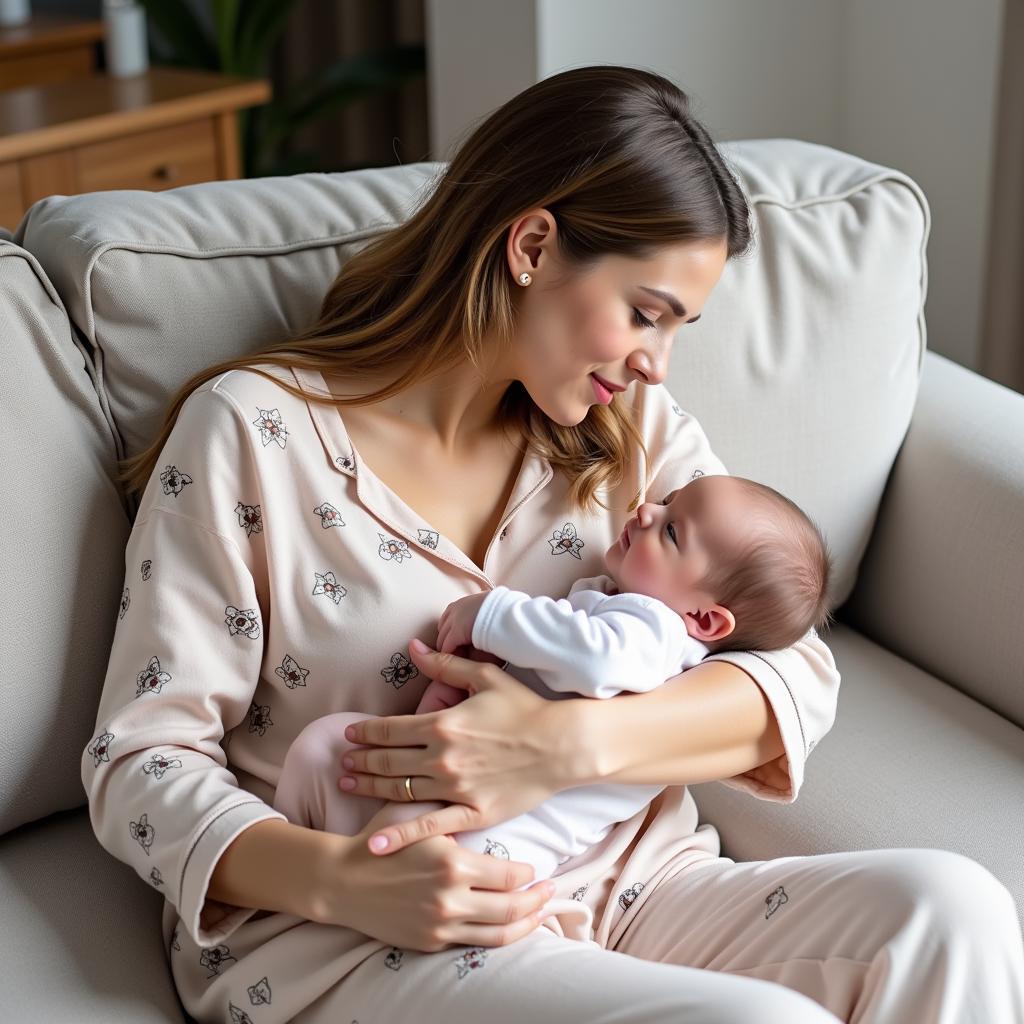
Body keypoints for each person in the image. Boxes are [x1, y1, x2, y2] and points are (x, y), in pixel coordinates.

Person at [81, 65, 1024, 1024]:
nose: (657, 361)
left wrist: (568, 745)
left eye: (678, 327)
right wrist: (341, 881)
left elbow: (793, 669)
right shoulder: (251, 433)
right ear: (532, 245)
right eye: (646, 313)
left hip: (633, 887)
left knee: (954, 914)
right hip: (374, 927)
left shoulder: (630, 429)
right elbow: (138, 762)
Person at [271, 473, 836, 894]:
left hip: (506, 837)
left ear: (707, 621)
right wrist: (452, 697)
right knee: (328, 744)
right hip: (457, 780)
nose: (644, 510)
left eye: (671, 530)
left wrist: (492, 616)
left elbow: (595, 659)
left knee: (398, 841)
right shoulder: (625, 601)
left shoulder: (654, 632)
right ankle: (301, 865)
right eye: (665, 501)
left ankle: (333, 898)